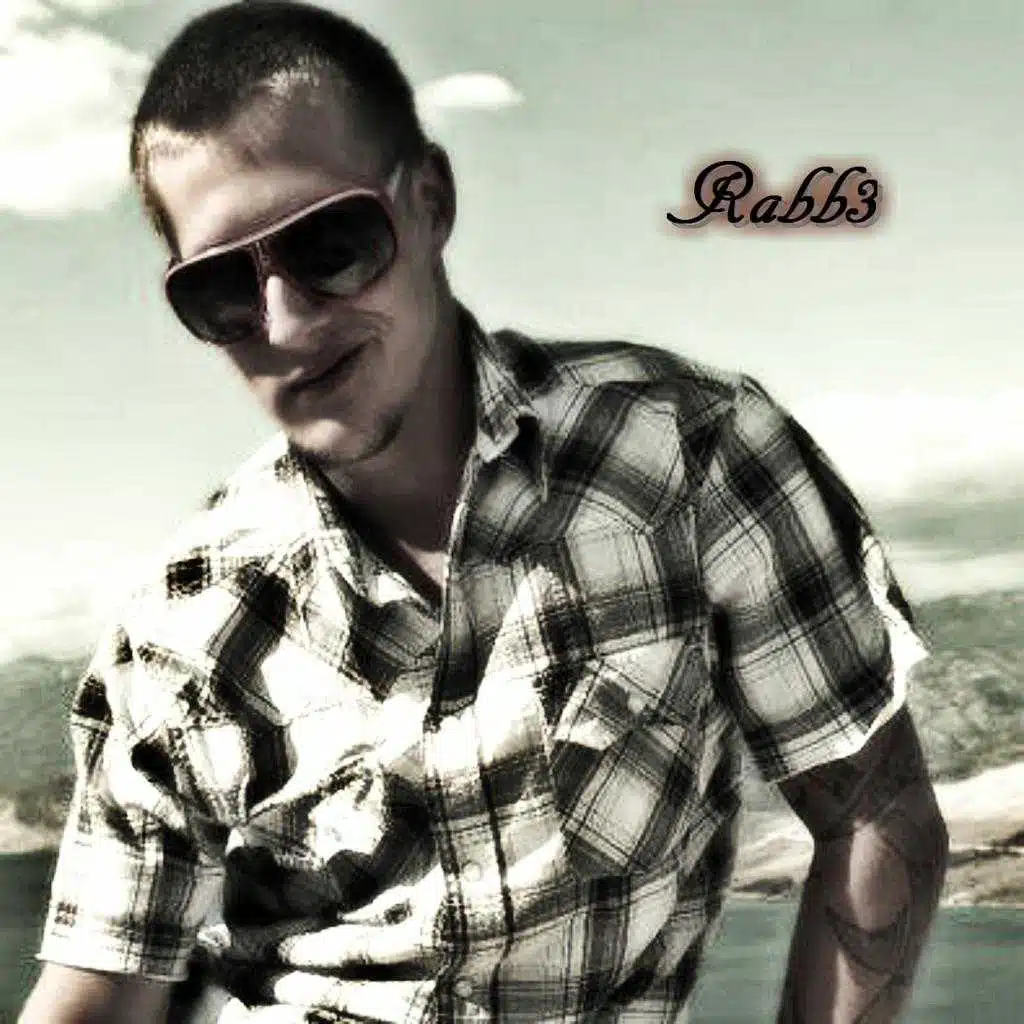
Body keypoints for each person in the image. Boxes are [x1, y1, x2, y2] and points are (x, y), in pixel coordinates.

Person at [19, 2, 949, 1022]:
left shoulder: (690, 455)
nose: (284, 321)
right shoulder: (179, 629)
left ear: (430, 201)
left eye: (329, 243)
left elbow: (876, 812)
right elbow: (101, 984)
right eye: (221, 290)